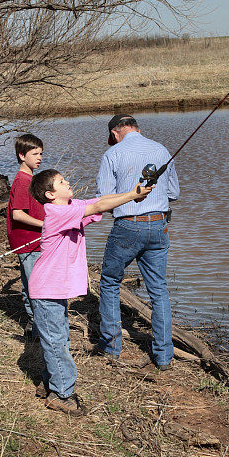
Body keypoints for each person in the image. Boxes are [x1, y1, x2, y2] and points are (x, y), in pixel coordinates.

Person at [28, 168, 154, 413]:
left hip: (54, 289)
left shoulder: (71, 206)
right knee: (57, 342)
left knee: (58, 338)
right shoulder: (57, 212)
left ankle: (49, 383)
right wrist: (132, 195)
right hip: (46, 289)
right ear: (50, 195)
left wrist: (132, 194)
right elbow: (96, 208)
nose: (68, 183)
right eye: (62, 182)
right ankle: (61, 395)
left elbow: (100, 202)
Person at [95, 114, 179, 370]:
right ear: (137, 129)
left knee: (109, 282)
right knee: (159, 290)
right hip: (158, 224)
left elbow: (104, 199)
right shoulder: (161, 149)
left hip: (127, 225)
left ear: (115, 134)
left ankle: (111, 348)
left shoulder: (113, 154)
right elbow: (174, 193)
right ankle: (164, 357)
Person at [6, 134, 45, 339]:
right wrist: (46, 225)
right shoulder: (22, 181)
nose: (39, 158)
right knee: (35, 285)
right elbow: (17, 214)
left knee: (31, 283)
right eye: (34, 154)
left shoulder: (30, 179)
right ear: (22, 155)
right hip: (27, 242)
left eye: (41, 153)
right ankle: (38, 327)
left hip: (34, 242)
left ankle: (34, 326)